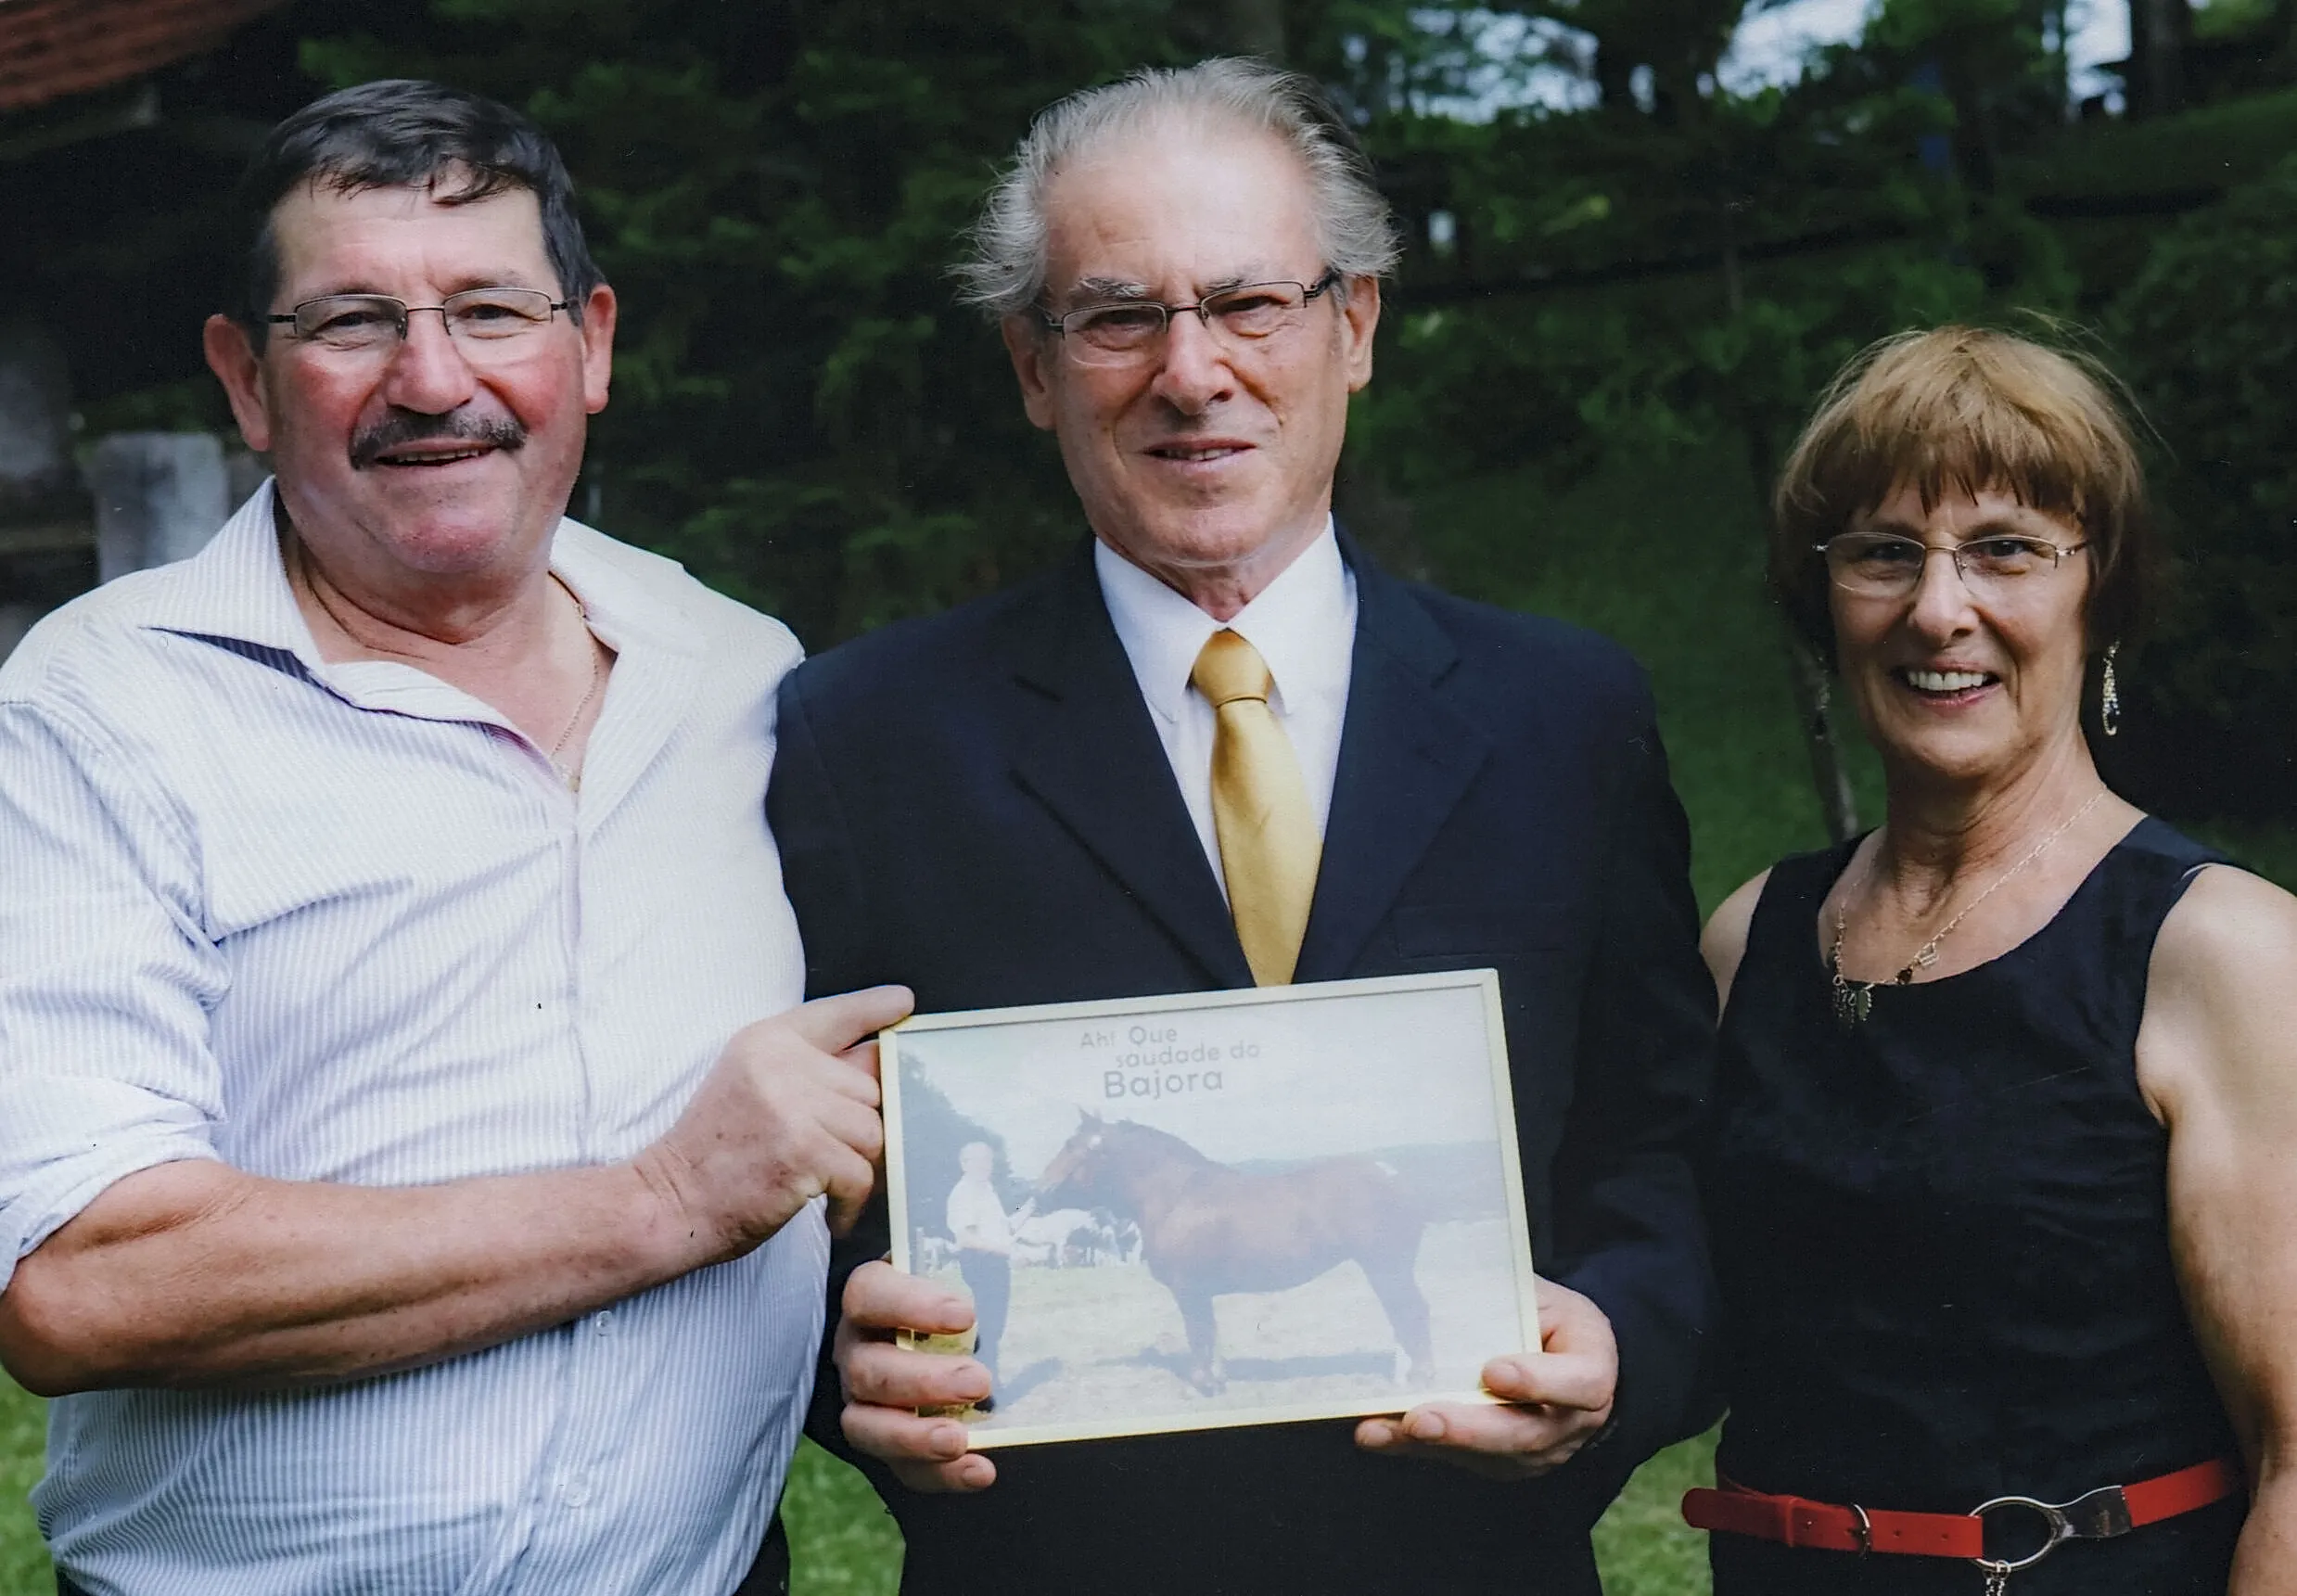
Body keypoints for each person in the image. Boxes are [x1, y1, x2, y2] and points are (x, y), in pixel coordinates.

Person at [766, 58, 1717, 1595]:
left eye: (1249, 305)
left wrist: (1623, 1338)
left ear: (1352, 329)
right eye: (1119, 314)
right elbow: (788, 1214)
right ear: (1032, 365)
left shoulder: (1566, 718)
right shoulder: (865, 738)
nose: (1190, 370)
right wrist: (841, 1371)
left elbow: (1665, 1148)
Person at [0, 80, 908, 1596]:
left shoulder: (739, 669)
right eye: (351, 321)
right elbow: (82, 1283)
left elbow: (834, 1137)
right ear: (244, 379)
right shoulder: (100, 712)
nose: (433, 380)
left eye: (491, 309)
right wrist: (660, 1202)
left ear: (590, 344)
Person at [1685, 326, 2297, 1593]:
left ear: (2100, 592)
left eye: (2004, 549)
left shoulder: (2217, 953)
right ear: (1824, 603)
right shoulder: (1749, 942)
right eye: (1883, 554)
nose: (1937, 608)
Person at [942, 1143, 1031, 1387]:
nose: (984, 1166)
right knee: (989, 1327)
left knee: (994, 1326)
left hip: (995, 1262)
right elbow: (967, 1238)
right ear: (964, 1164)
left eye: (988, 1161)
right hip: (981, 1262)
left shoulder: (986, 1190)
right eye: (977, 1160)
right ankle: (983, 1388)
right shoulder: (964, 1193)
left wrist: (1032, 1207)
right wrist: (1009, 1252)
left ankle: (985, 1383)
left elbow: (1004, 1229)